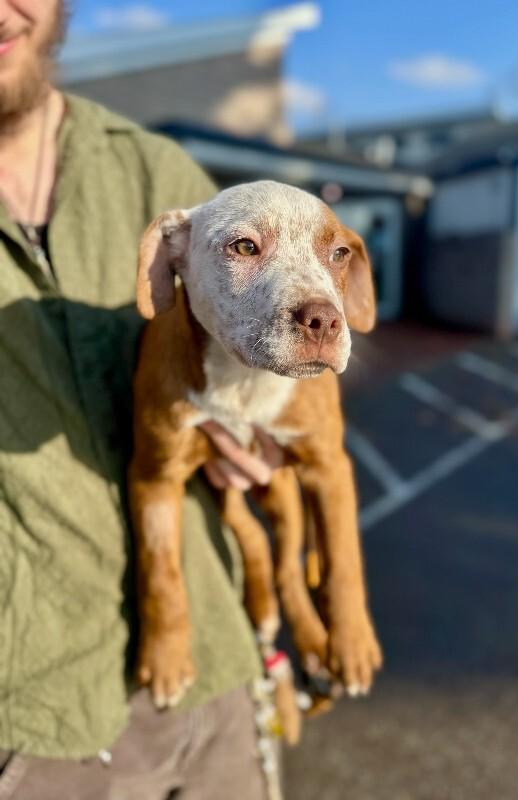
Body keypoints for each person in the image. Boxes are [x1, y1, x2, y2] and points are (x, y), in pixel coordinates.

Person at [0, 2, 284, 797]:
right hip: (27, 725)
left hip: (214, 679)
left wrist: (256, 447)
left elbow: (263, 363)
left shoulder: (163, 178)